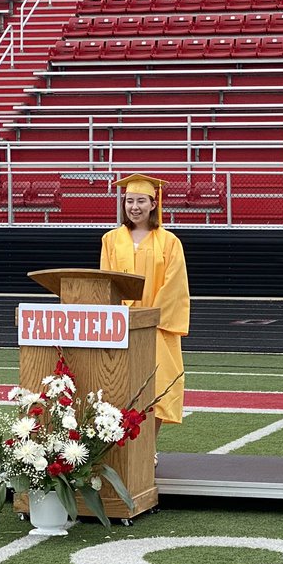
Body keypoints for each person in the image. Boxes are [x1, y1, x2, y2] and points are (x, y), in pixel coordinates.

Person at [99, 174, 190, 453]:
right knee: (119, 388)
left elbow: (175, 284)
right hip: (121, 324)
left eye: (141, 201)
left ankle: (147, 449)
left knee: (158, 388)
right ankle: (119, 451)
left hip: (156, 325)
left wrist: (148, 316)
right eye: (129, 201)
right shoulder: (111, 239)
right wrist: (122, 313)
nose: (134, 207)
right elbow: (106, 280)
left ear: (154, 204)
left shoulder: (169, 241)